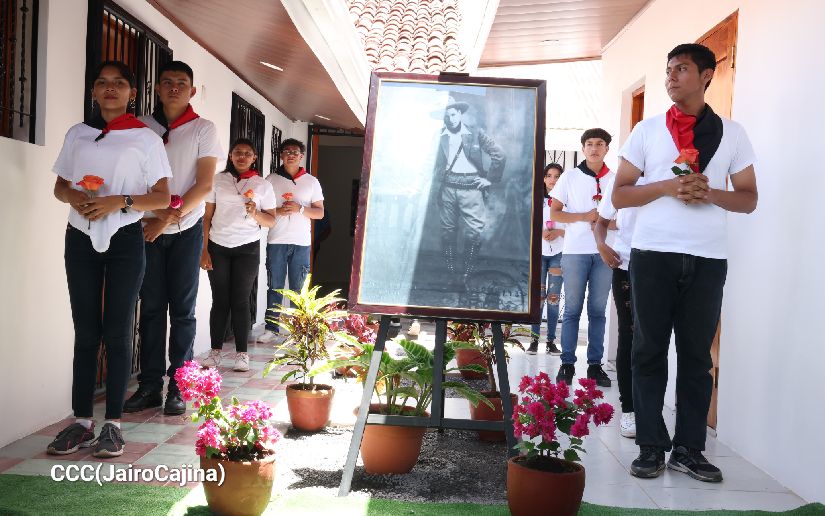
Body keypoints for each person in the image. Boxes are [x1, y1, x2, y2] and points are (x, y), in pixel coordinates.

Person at [613, 43, 757, 482]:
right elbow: (620, 194)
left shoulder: (732, 133)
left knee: (696, 357)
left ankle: (689, 450)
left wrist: (709, 193)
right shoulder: (647, 131)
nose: (671, 78)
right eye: (669, 70)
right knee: (648, 350)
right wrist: (666, 187)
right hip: (652, 254)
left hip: (708, 258)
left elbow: (748, 199)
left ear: (707, 75)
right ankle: (650, 447)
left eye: (682, 69)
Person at [49, 61, 172, 457]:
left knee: (118, 332)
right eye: (102, 83)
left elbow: (162, 197)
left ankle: (113, 425)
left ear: (132, 93)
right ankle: (82, 421)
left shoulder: (146, 139)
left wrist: (117, 201)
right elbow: (60, 187)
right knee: (86, 332)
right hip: (79, 237)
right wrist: (76, 198)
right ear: (93, 91)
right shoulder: (78, 134)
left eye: (119, 83)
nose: (110, 88)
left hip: (125, 239)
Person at [124, 61, 223, 416]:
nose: (174, 88)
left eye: (182, 83)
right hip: (145, 229)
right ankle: (150, 386)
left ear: (192, 90)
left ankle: (178, 387)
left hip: (185, 230)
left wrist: (166, 218)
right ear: (157, 88)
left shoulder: (203, 129)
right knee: (151, 309)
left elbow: (204, 185)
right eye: (167, 82)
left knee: (182, 311)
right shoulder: (140, 126)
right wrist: (152, 218)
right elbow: (131, 177)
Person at [201, 139, 277, 371]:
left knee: (241, 300)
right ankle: (215, 352)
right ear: (231, 156)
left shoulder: (263, 185)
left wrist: (255, 213)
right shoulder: (218, 180)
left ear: (254, 158)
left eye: (247, 153)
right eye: (237, 153)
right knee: (220, 300)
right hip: (218, 246)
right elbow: (207, 216)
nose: (242, 157)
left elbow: (271, 220)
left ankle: (242, 354)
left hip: (247, 248)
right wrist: (203, 250)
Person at [549, 129, 614, 388]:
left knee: (598, 311)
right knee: (573, 309)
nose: (594, 148)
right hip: (575, 251)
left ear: (607, 148)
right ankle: (567, 363)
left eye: (600, 144)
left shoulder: (615, 179)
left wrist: (605, 223)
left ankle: (595, 365)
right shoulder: (570, 177)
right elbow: (555, 213)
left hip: (605, 251)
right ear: (583, 148)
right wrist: (584, 216)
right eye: (589, 144)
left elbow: (626, 218)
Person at [257, 139, 324, 343]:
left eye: (295, 152)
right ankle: (271, 328)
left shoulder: (311, 181)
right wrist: (278, 211)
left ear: (301, 156)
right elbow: (261, 210)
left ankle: (299, 331)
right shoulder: (271, 179)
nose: (291, 155)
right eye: (287, 151)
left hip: (301, 242)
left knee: (298, 289)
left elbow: (320, 213)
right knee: (275, 286)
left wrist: (300, 208)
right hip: (276, 240)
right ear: (281, 155)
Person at [435, 96, 505, 289]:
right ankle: (451, 275)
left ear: (459, 113)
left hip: (472, 189)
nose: (450, 119)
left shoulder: (475, 134)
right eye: (446, 116)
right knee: (447, 232)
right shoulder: (439, 135)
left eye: (453, 114)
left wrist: (489, 179)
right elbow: (431, 163)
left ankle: (465, 276)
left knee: (474, 233)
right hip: (448, 188)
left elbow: (499, 154)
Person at [594, 179, 638, 438]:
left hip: (663, 267)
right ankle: (629, 409)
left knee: (654, 340)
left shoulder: (673, 168)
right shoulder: (622, 176)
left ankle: (648, 409)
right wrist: (601, 245)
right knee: (629, 336)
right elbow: (601, 222)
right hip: (626, 264)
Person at [527, 163, 565, 355]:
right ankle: (534, 340)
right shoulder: (536, 200)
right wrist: (539, 233)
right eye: (549, 175)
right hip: (539, 253)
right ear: (543, 178)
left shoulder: (567, 200)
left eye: (557, 176)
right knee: (538, 298)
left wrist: (559, 232)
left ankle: (551, 341)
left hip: (559, 253)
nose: (553, 180)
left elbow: (575, 227)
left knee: (553, 298)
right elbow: (528, 223)